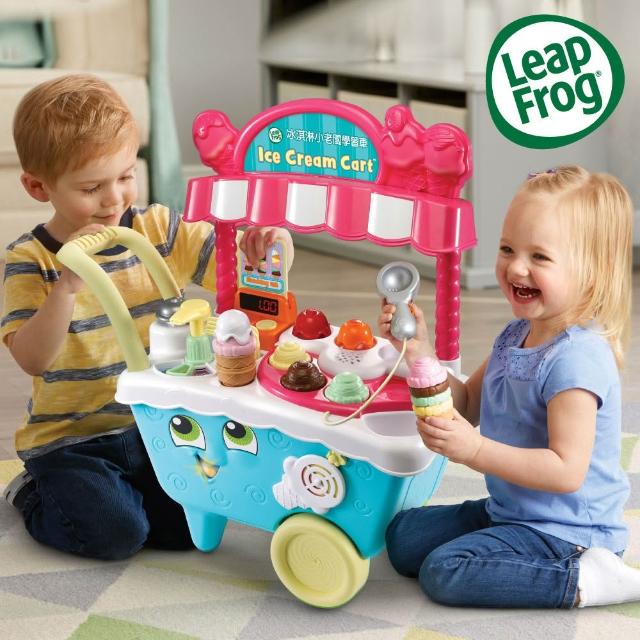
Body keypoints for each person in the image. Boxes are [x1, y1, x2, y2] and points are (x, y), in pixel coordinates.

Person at [1, 74, 294, 560]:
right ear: (38, 186)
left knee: (189, 528)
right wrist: (67, 287)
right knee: (117, 534)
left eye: (125, 176)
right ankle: (32, 491)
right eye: (91, 187)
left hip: (155, 427)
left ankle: (126, 494)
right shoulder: (30, 258)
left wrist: (270, 246)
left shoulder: (157, 227)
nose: (114, 199)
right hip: (72, 442)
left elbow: (238, 271)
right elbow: (32, 358)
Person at [378, 166, 640, 609]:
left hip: (568, 532)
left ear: (592, 272)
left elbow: (566, 471)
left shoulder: (576, 359)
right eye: (507, 249)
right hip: (511, 510)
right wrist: (420, 354)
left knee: (445, 571)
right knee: (403, 537)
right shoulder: (516, 334)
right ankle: (506, 541)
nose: (516, 267)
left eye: (540, 257)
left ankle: (589, 577)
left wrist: (474, 450)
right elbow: (467, 404)